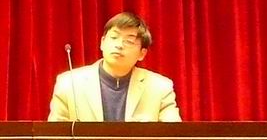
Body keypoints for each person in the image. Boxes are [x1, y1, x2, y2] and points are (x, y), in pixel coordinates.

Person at [49, 11, 180, 122]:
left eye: (129, 41)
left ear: (142, 53)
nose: (119, 45)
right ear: (102, 43)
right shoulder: (69, 83)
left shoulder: (160, 87)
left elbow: (173, 136)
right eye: (114, 37)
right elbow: (55, 136)